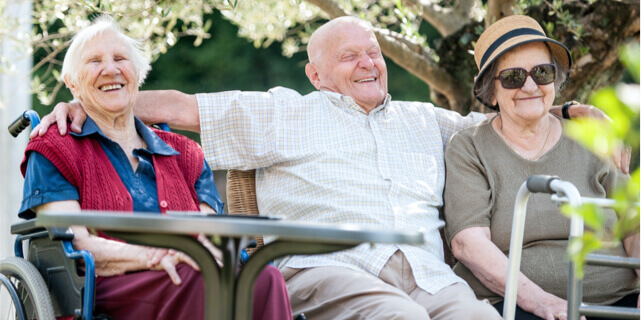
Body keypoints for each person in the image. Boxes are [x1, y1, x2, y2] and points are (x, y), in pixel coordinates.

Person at [33, 16, 624, 320]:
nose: (368, 62)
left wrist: (570, 109)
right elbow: (181, 109)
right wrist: (94, 100)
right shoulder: (282, 114)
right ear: (316, 74)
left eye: (373, 52)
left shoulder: (428, 120)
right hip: (330, 269)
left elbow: (500, 115)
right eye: (349, 56)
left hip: (428, 272)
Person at [19, 16, 292, 320]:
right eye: (94, 61)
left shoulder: (186, 153)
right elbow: (74, 242)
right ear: (72, 83)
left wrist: (200, 250)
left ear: (137, 74)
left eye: (120, 58)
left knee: (266, 279)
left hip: (189, 273)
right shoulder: (54, 148)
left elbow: (210, 233)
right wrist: (155, 257)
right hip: (105, 288)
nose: (111, 69)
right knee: (197, 278)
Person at [443, 15, 639, 320]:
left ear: (556, 81)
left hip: (618, 300)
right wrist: (542, 302)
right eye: (513, 77)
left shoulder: (591, 135)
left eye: (542, 72)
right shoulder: (470, 148)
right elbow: (469, 244)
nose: (531, 85)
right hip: (517, 305)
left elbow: (634, 223)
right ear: (491, 92)